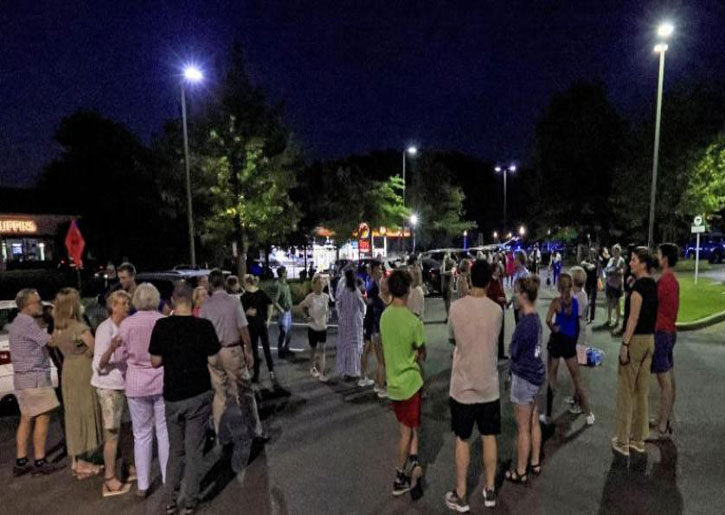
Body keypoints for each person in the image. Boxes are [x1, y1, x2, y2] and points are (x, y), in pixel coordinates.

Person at [149, 283, 221, 515]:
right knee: (194, 450)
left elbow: (155, 361)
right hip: (198, 393)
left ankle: (170, 499)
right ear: (192, 300)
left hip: (173, 395)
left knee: (175, 450)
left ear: (172, 300)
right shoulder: (204, 326)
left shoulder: (162, 326)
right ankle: (190, 500)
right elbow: (214, 360)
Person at [445, 260, 502, 511]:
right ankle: (490, 489)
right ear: (489, 281)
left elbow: (451, 338)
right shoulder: (496, 311)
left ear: (469, 279)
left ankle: (461, 494)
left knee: (462, 439)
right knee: (489, 437)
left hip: (463, 386)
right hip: (488, 384)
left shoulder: (456, 308)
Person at [116, 283, 169, 497]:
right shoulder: (163, 321)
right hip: (162, 380)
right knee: (164, 432)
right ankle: (167, 478)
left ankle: (143, 484)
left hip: (136, 383)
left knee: (141, 435)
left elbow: (119, 356)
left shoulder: (127, 324)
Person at [201, 269, 267, 441]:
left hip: (213, 353)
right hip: (232, 350)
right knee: (245, 392)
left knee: (220, 395)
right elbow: (243, 328)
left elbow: (202, 332)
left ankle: (222, 435)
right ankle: (255, 431)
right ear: (224, 283)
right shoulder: (233, 301)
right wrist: (249, 351)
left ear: (210, 284)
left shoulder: (206, 305)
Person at [49, 288, 104, 480]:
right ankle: (83, 460)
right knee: (86, 411)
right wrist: (87, 353)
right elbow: (96, 348)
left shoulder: (58, 329)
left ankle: (76, 459)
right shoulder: (79, 328)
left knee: (73, 414)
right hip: (82, 371)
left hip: (68, 370)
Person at [380, 269, 425, 499]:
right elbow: (421, 352)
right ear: (407, 291)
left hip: (394, 384)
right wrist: (415, 354)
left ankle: (414, 459)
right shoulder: (412, 321)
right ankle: (399, 476)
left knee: (408, 425)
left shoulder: (385, 317)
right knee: (407, 433)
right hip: (410, 384)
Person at [8, 288, 62, 477]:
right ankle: (40, 460)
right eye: (37, 302)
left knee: (26, 418)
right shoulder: (27, 323)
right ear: (26, 305)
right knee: (43, 417)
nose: (40, 305)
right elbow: (51, 341)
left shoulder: (17, 322)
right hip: (35, 379)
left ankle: (21, 461)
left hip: (22, 379)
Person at [612, 247, 658, 456]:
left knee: (626, 391)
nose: (630, 263)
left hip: (636, 340)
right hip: (649, 339)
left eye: (633, 260)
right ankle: (639, 439)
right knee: (642, 391)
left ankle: (623, 440)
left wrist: (625, 344)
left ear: (643, 264)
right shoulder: (652, 285)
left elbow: (633, 318)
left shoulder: (639, 288)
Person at [92, 290, 134, 497]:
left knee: (127, 428)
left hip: (125, 385)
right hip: (109, 387)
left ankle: (129, 465)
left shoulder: (126, 326)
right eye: (123, 303)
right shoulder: (104, 329)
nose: (127, 306)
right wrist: (112, 348)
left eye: (128, 303)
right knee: (112, 434)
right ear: (113, 307)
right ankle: (109, 477)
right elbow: (99, 364)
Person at [505, 275, 545, 486]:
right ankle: (535, 461)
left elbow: (515, 351)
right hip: (536, 374)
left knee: (522, 428)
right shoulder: (535, 319)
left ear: (523, 295)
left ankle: (520, 471)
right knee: (534, 420)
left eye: (516, 292)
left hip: (524, 377)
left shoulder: (524, 324)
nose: (514, 296)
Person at [543, 273, 595, 426]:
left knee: (552, 376)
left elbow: (548, 320)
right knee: (577, 379)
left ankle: (548, 415)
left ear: (559, 287)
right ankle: (588, 414)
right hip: (569, 343)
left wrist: (554, 328)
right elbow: (576, 324)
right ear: (570, 287)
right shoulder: (575, 303)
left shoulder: (556, 303)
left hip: (556, 341)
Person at [648, 243, 679, 441]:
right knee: (669, 379)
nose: (657, 257)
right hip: (670, 331)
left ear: (665, 259)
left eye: (659, 255)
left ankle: (662, 428)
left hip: (661, 333)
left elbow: (652, 303)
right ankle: (663, 419)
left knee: (664, 382)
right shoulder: (672, 280)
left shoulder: (665, 281)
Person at [241, 274, 275, 384]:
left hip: (253, 325)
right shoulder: (259, 293)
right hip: (259, 324)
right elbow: (270, 304)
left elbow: (270, 303)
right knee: (264, 348)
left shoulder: (245, 297)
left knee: (256, 349)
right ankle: (270, 371)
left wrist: (268, 319)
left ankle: (258, 374)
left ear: (247, 283)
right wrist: (268, 319)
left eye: (244, 282)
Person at [360, 260, 387, 398]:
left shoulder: (376, 283)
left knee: (377, 356)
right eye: (379, 269)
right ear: (373, 270)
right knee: (379, 357)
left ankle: (377, 382)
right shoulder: (373, 285)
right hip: (375, 323)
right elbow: (372, 303)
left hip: (375, 322)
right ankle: (378, 385)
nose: (381, 271)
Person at [565, 266, 590, 412]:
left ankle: (580, 403)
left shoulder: (579, 297)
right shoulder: (579, 294)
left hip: (578, 338)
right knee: (575, 372)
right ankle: (575, 397)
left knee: (577, 373)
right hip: (577, 335)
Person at [335, 268, 366, 380]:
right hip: (355, 321)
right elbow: (362, 306)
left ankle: (345, 370)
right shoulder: (356, 291)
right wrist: (363, 315)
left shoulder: (343, 290)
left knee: (345, 345)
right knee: (355, 345)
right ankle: (354, 371)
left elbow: (338, 303)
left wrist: (340, 315)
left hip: (344, 321)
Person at [299, 275, 331, 382]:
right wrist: (306, 317)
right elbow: (301, 306)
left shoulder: (326, 297)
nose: (321, 285)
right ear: (314, 285)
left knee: (322, 350)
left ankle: (322, 373)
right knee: (313, 349)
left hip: (323, 328)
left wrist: (328, 316)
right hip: (313, 327)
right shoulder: (310, 297)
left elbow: (327, 310)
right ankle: (312, 367)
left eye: (322, 283)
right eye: (319, 283)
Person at [487, 263, 508, 360]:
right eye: (497, 269)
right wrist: (499, 298)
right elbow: (489, 295)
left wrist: (505, 300)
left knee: (501, 331)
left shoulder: (499, 280)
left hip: (500, 308)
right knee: (494, 332)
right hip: (494, 309)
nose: (499, 271)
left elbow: (501, 292)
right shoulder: (490, 282)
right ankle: (493, 353)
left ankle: (500, 353)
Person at [272, 266, 293, 359]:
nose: (287, 273)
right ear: (282, 273)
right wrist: (281, 310)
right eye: (285, 272)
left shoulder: (285, 284)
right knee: (283, 333)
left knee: (288, 333)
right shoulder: (278, 286)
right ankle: (281, 351)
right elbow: (274, 300)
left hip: (288, 311)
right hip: (283, 313)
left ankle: (286, 349)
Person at [604, 245, 626, 330]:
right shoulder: (611, 259)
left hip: (617, 284)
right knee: (609, 301)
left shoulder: (621, 260)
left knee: (617, 303)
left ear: (619, 252)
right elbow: (607, 269)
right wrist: (609, 271)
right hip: (609, 283)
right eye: (614, 251)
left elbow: (621, 271)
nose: (615, 252)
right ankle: (609, 318)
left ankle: (617, 320)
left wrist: (615, 271)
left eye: (617, 251)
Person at [509, 251, 530, 325]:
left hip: (522, 306)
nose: (514, 261)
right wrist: (510, 302)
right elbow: (515, 291)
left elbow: (526, 292)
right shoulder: (516, 273)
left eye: (515, 259)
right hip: (516, 305)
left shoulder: (525, 274)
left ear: (520, 260)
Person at [581, 248, 601, 323]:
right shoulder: (586, 260)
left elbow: (591, 268)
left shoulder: (596, 262)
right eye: (590, 253)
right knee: (586, 300)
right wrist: (587, 264)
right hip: (587, 282)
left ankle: (592, 318)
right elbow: (582, 263)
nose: (591, 254)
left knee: (593, 301)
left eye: (593, 253)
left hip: (594, 282)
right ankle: (585, 316)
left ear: (594, 254)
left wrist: (587, 264)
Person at [440, 253, 456, 317]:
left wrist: (444, 273)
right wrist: (444, 261)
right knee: (445, 302)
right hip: (444, 285)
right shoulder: (443, 263)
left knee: (449, 301)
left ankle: (450, 316)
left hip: (450, 284)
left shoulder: (453, 262)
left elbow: (452, 272)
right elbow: (441, 271)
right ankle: (448, 316)